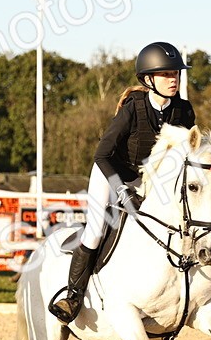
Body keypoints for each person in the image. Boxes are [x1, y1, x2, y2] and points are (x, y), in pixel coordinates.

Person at [48, 42, 196, 323]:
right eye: (166, 74)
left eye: (176, 73)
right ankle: (73, 296)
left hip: (150, 180)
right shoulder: (133, 108)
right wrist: (121, 190)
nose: (173, 79)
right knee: (95, 229)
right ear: (149, 79)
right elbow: (102, 155)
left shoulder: (184, 111)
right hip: (111, 171)